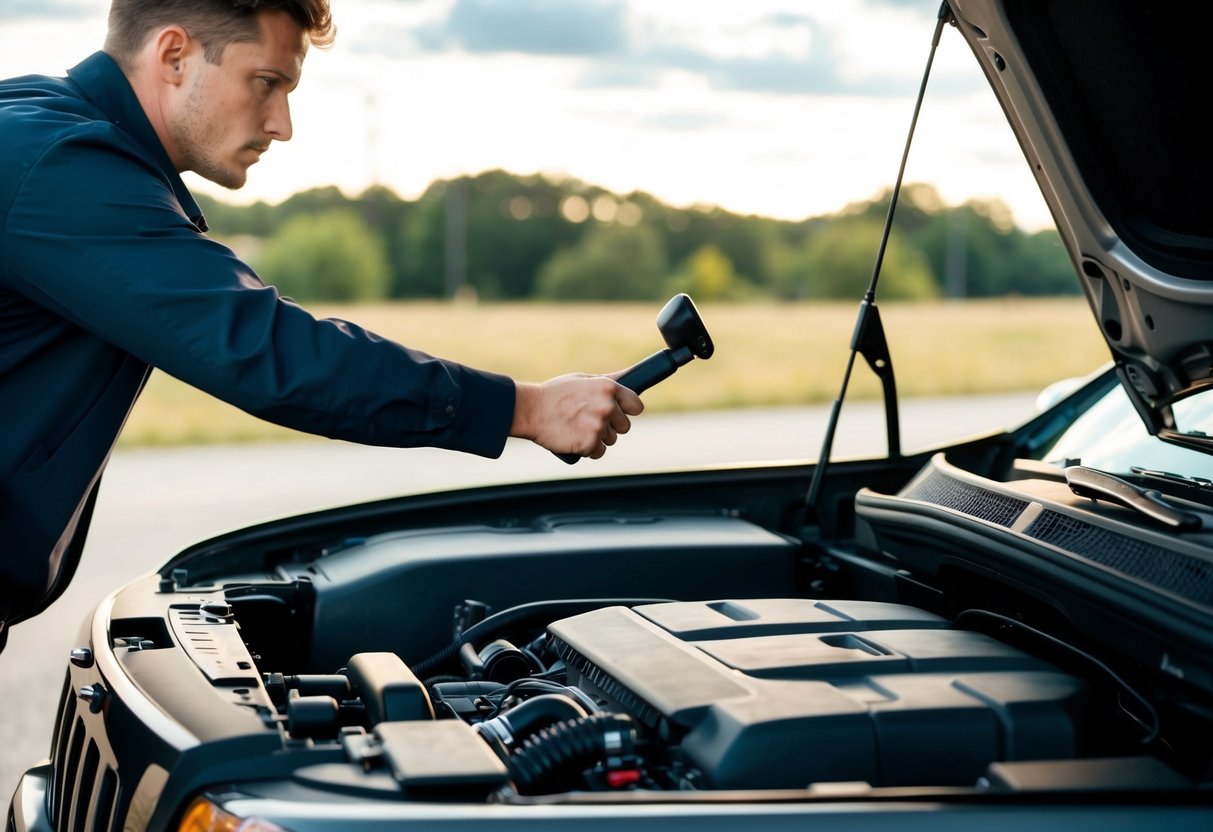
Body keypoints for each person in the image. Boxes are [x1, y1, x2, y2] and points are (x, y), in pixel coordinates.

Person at [0, 0, 643, 640]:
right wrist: (524, 409)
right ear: (174, 56)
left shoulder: (39, 126)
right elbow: (266, 352)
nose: (281, 124)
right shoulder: (60, 165)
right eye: (267, 82)